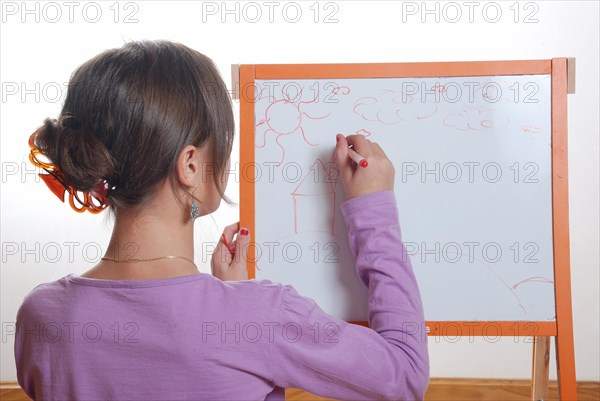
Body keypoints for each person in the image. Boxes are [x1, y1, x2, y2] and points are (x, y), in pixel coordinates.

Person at [14, 40, 429, 400]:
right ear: (190, 165)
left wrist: (230, 299)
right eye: (224, 144)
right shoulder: (260, 316)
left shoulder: (41, 315)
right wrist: (373, 209)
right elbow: (405, 374)